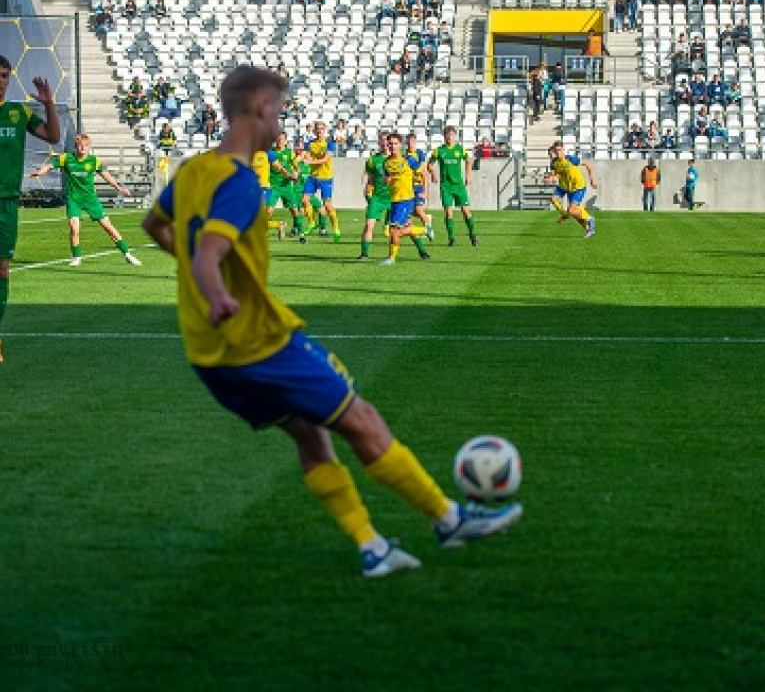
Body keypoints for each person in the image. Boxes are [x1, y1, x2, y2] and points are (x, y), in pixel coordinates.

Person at [141, 67, 523, 576]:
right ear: (258, 106)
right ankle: (450, 518)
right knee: (360, 419)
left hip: (208, 354)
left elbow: (155, 223)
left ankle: (372, 546)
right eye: (280, 108)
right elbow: (211, 252)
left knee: (309, 436)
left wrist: (198, 282)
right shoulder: (238, 180)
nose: (283, 118)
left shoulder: (192, 171)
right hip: (258, 342)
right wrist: (215, 291)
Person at [0, 58, 61, 361]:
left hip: (6, 202)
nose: (0, 80)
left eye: (4, 76)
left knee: (1, 270)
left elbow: (53, 137)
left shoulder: (18, 113)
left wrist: (49, 103)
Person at [30, 134, 142, 267]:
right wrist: (40, 172)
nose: (82, 148)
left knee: (108, 227)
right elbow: (49, 165)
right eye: (80, 145)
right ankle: (76, 257)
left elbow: (105, 174)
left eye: (85, 145)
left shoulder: (94, 160)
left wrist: (118, 187)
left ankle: (127, 254)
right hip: (74, 199)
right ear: (76, 146)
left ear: (89, 147)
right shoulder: (66, 158)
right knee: (74, 227)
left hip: (90, 199)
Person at [380, 132, 431, 265]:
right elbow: (386, 178)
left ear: (400, 145)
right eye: (390, 143)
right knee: (405, 228)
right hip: (395, 200)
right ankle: (424, 231)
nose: (392, 146)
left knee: (394, 232)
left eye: (395, 143)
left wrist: (423, 190)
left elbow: (422, 172)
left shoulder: (408, 159)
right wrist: (387, 181)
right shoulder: (386, 162)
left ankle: (392, 258)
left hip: (406, 199)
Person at [428, 126, 477, 247]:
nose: (450, 137)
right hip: (446, 187)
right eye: (447, 135)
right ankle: (452, 239)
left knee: (466, 211)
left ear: (455, 136)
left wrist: (468, 175)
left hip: (459, 186)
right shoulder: (439, 151)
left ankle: (473, 235)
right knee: (449, 213)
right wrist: (433, 173)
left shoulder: (460, 150)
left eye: (452, 135)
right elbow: (429, 164)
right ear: (444, 136)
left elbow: (469, 160)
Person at [545, 141, 597, 237]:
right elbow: (556, 174)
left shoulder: (571, 159)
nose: (558, 153)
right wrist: (550, 178)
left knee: (573, 210)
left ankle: (589, 218)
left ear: (563, 149)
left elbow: (588, 165)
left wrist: (592, 180)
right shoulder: (554, 163)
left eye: (559, 150)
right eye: (556, 151)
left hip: (577, 187)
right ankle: (565, 215)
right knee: (554, 199)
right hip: (564, 186)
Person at [302, 121, 341, 242]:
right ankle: (312, 222)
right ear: (314, 131)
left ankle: (336, 227)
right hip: (313, 177)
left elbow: (325, 160)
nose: (319, 131)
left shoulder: (330, 144)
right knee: (304, 199)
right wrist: (305, 158)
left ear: (325, 130)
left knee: (327, 206)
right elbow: (306, 156)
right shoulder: (309, 144)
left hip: (326, 178)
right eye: (317, 129)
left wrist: (309, 162)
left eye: (321, 129)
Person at [357, 132, 392, 261]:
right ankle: (364, 253)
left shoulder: (399, 158)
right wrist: (367, 190)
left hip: (394, 197)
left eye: (386, 140)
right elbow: (371, 179)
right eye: (381, 140)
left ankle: (422, 250)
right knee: (368, 224)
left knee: (404, 226)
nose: (384, 143)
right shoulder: (373, 160)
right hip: (377, 197)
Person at [267, 132, 306, 240]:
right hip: (273, 185)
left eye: (282, 139)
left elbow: (295, 165)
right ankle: (270, 228)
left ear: (286, 141)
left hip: (286, 185)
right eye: (278, 139)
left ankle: (302, 235)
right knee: (269, 211)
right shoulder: (271, 153)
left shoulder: (289, 153)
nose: (280, 141)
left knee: (294, 210)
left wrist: (296, 172)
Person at [407, 132, 434, 239]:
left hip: (418, 186)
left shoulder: (419, 154)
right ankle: (427, 219)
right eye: (408, 142)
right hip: (409, 187)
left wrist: (424, 191)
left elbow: (423, 172)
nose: (410, 144)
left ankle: (428, 229)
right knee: (411, 211)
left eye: (412, 141)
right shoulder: (405, 155)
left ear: (415, 142)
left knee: (418, 210)